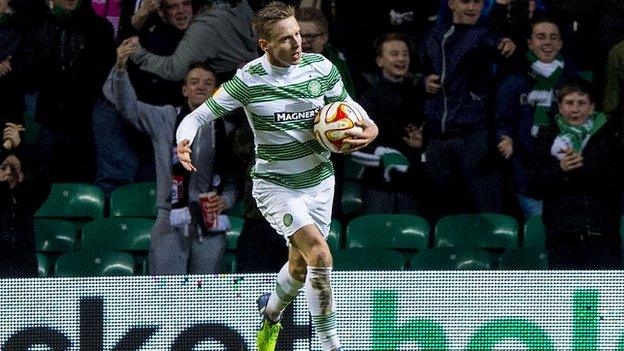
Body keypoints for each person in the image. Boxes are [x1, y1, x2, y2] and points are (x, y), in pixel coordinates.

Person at [175, 3, 378, 350]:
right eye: (286, 39)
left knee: (299, 269)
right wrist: (184, 140)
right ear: (264, 44)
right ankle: (332, 346)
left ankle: (269, 315)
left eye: (298, 34)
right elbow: (198, 116)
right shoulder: (248, 80)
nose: (298, 44)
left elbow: (352, 108)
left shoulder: (322, 67)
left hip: (320, 183)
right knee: (320, 255)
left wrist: (370, 129)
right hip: (276, 187)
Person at [103, 38, 238, 275]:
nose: (200, 87)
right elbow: (128, 107)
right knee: (167, 298)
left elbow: (235, 180)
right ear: (184, 89)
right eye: (194, 82)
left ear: (216, 91)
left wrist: (226, 201)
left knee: (205, 298)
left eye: (208, 83)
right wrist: (121, 69)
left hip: (210, 220)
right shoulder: (165, 119)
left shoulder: (227, 130)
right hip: (169, 218)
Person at [422, 0, 515, 217]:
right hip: (438, 136)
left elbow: (496, 43)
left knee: (486, 206)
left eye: (477, 2)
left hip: (473, 134)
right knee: (440, 208)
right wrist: (423, 82)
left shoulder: (482, 35)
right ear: (452, 3)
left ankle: (492, 250)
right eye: (466, 1)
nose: (472, 7)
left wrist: (506, 42)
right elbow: (416, 71)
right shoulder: (432, 36)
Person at [528, 79, 623, 269]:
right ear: (560, 107)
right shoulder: (546, 138)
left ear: (591, 107)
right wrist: (560, 170)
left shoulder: (609, 137)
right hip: (562, 236)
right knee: (567, 298)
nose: (575, 109)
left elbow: (618, 181)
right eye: (569, 103)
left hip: (603, 234)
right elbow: (534, 186)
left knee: (602, 298)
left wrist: (584, 168)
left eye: (581, 103)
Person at [27, 0, 115, 183]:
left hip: (86, 124)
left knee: (81, 187)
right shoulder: (42, 27)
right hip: (50, 121)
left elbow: (103, 77)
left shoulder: (100, 28)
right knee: (42, 187)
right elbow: (32, 75)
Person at [496, 18, 576, 218]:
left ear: (560, 44)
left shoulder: (573, 83)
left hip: (565, 171)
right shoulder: (515, 81)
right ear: (530, 43)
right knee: (539, 231)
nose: (547, 42)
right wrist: (505, 137)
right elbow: (503, 121)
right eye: (540, 37)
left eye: (553, 37)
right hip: (527, 172)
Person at [354, 32, 426, 215]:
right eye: (394, 54)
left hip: (413, 183)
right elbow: (361, 142)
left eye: (405, 54)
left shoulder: (420, 94)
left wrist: (421, 143)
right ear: (380, 60)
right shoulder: (368, 98)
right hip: (378, 184)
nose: (401, 59)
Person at [130, 0, 258, 83]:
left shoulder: (205, 27)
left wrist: (137, 54)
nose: (181, 10)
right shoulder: (239, 6)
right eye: (172, 7)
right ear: (161, 12)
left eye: (186, 3)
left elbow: (174, 70)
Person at [0, 122, 50, 278]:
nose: (8, 173)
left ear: (21, 176)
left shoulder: (26, 202)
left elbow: (44, 177)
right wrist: (6, 146)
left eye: (14, 169)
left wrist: (20, 146)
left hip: (24, 284)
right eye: (3, 168)